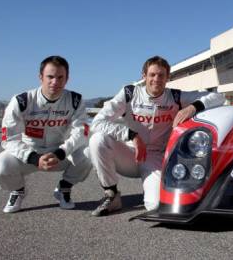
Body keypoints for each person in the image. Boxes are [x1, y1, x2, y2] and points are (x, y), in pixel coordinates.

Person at [88, 56, 225, 216]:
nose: (156, 79)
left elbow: (219, 97)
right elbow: (97, 122)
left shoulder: (175, 97)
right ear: (143, 76)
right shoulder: (129, 93)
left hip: (155, 158)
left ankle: (151, 192)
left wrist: (193, 107)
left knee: (155, 206)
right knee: (98, 140)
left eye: (161, 75)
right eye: (152, 75)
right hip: (130, 153)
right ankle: (111, 195)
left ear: (168, 78)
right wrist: (131, 135)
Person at [0, 56, 91, 213]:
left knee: (90, 154)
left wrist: (61, 152)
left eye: (60, 77)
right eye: (50, 76)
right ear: (40, 77)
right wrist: (33, 158)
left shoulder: (75, 100)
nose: (55, 82)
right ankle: (18, 190)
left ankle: (64, 189)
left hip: (58, 153)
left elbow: (81, 132)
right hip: (28, 153)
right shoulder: (21, 100)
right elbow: (8, 138)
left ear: (67, 79)